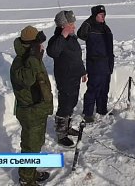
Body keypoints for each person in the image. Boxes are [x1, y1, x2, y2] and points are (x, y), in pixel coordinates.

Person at [10, 26, 53, 186]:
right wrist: (34, 59)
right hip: (29, 111)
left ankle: (31, 171)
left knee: (36, 143)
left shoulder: (31, 58)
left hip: (37, 109)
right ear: (31, 45)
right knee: (29, 146)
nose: (42, 47)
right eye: (39, 44)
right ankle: (25, 179)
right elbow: (27, 80)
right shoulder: (20, 63)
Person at [47, 10, 87, 147]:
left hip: (74, 76)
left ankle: (67, 127)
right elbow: (52, 52)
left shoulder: (72, 38)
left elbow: (76, 57)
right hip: (65, 78)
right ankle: (61, 134)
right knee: (65, 104)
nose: (74, 27)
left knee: (72, 102)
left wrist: (82, 71)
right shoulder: (57, 40)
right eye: (71, 24)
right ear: (63, 26)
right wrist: (62, 36)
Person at [77, 5, 114, 123]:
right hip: (95, 64)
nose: (103, 17)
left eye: (104, 15)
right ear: (94, 16)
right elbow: (80, 34)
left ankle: (102, 109)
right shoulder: (89, 27)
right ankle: (88, 113)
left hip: (107, 63)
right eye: (100, 15)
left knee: (104, 88)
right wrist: (88, 21)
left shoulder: (106, 28)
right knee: (93, 89)